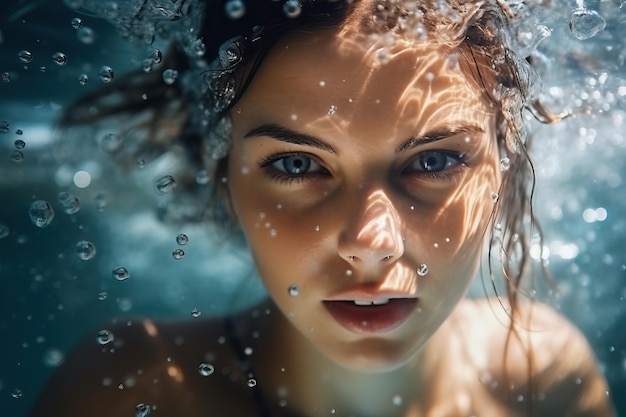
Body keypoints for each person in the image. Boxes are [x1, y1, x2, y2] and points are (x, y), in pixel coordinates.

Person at [30, 0, 615, 416]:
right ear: (222, 174)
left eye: (435, 162)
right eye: (296, 164)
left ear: (503, 170)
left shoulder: (544, 375)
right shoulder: (136, 390)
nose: (372, 240)